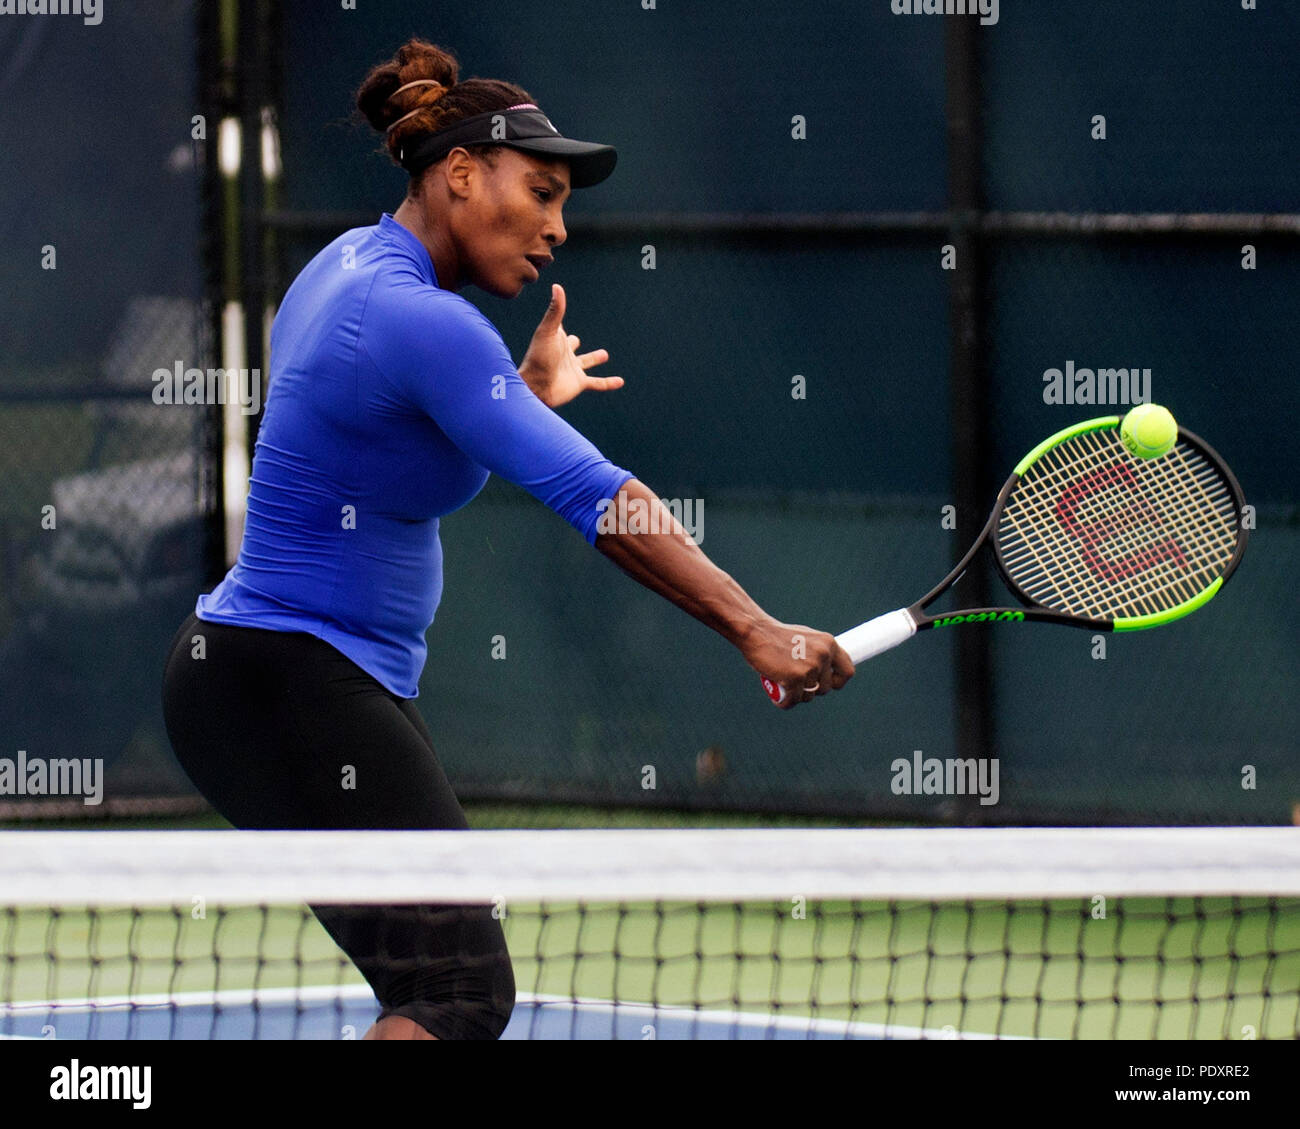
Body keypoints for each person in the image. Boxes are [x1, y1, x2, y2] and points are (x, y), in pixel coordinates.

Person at [161, 38, 854, 1041]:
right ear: (456, 173)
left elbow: (386, 462)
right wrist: (754, 628)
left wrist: (521, 396)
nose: (557, 228)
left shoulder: (342, 267)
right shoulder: (424, 324)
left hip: (254, 680)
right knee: (457, 993)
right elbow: (591, 491)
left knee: (432, 988)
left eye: (563, 202)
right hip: (291, 681)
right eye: (540, 191)